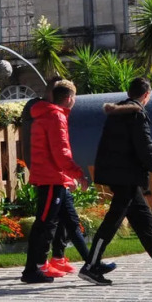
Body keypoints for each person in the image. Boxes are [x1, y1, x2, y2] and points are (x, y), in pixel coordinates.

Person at [79, 78, 152, 285]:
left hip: (121, 176)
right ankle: (91, 266)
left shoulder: (118, 112)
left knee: (144, 221)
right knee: (112, 221)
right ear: (146, 95)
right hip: (126, 177)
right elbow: (146, 150)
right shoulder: (136, 114)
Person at [21, 79, 91, 284]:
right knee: (44, 224)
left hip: (54, 177)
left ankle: (91, 263)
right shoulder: (55, 116)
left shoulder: (45, 114)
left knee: (69, 221)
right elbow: (61, 152)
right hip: (52, 178)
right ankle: (32, 269)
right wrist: (77, 173)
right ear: (69, 98)